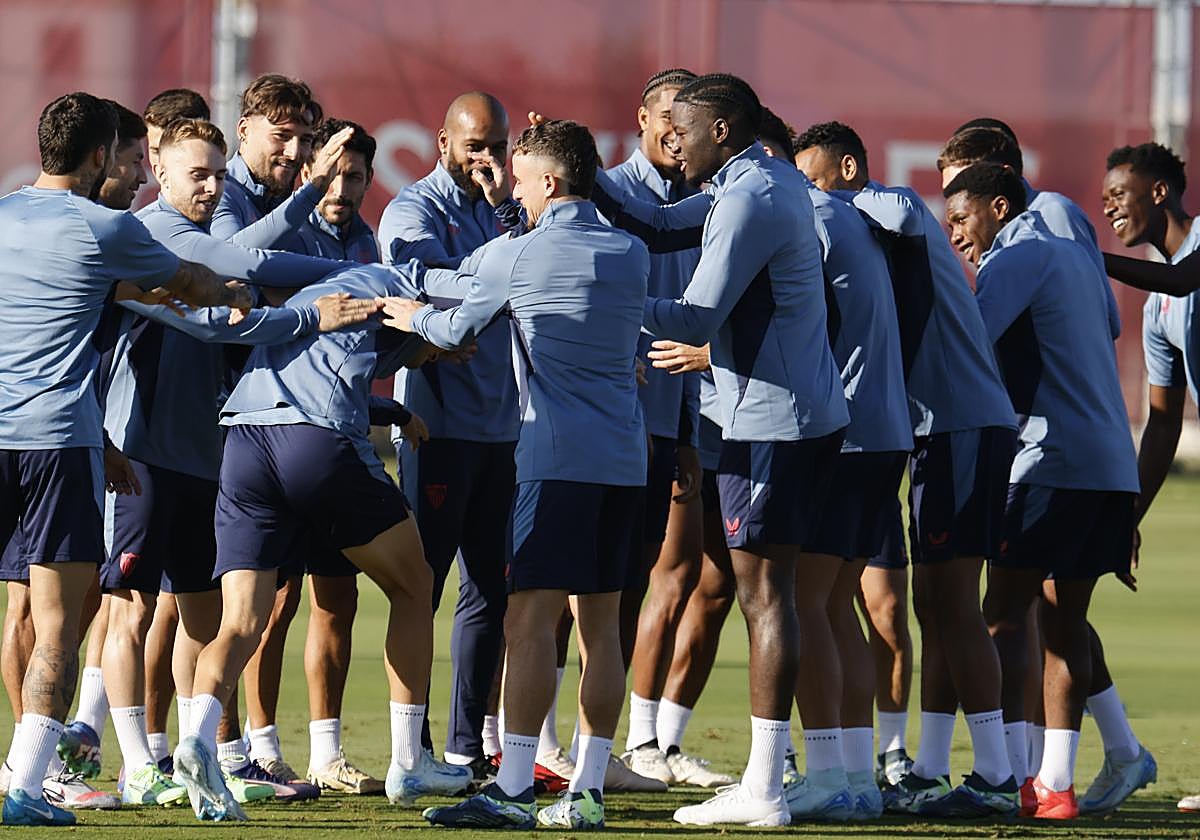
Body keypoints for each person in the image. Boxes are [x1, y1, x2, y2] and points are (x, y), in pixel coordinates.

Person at [591, 73, 849, 827]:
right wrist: (585, 184)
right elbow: (664, 224)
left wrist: (592, 292)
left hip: (774, 422)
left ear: (723, 131)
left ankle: (765, 788)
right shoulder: (758, 179)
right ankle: (819, 774)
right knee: (782, 597)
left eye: (686, 128)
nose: (674, 139)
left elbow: (694, 320)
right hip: (786, 414)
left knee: (766, 598)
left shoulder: (749, 195)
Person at [99, 117, 370, 810]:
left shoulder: (207, 239)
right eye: (200, 174)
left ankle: (209, 756)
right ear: (160, 174)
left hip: (207, 456)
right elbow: (234, 286)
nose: (215, 186)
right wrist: (333, 285)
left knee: (205, 620)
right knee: (128, 612)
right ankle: (137, 764)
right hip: (142, 454)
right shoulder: (154, 232)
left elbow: (240, 287)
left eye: (221, 175)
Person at [389, 118, 649, 831]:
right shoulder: (631, 250)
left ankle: (510, 785)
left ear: (551, 182)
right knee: (600, 625)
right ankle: (588, 789)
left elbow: (453, 326)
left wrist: (403, 308)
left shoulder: (520, 252)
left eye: (523, 179)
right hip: (625, 462)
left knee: (528, 619)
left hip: (554, 460)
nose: (514, 190)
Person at [0, 91, 250, 827]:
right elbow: (191, 282)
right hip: (56, 441)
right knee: (58, 625)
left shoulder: (4, 215)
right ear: (100, 155)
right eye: (126, 152)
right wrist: (232, 291)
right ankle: (24, 786)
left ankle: (29, 777)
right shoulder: (104, 227)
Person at [795, 121, 1021, 817]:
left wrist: (840, 202)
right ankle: (959, 770)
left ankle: (996, 778)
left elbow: (894, 211)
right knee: (935, 606)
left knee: (953, 606)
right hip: (940, 427)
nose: (808, 194)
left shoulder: (887, 206)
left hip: (958, 424)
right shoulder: (864, 220)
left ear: (850, 167)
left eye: (814, 178)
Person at [944, 163, 1140, 820]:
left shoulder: (1015, 254)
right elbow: (1112, 325)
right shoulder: (1072, 245)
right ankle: (1051, 785)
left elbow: (965, 347)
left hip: (1049, 462)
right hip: (1110, 462)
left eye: (962, 217)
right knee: (1065, 621)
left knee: (1001, 614)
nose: (956, 234)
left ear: (999, 207)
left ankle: (1002, 775)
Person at [759, 108, 912, 821]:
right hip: (883, 433)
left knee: (808, 603)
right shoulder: (860, 221)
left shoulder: (813, 216)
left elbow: (800, 319)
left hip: (843, 436)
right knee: (837, 605)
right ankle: (853, 775)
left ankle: (826, 772)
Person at [206, 73, 356, 783]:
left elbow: (264, 279)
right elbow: (239, 263)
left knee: (260, 601)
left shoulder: (275, 200)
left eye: (303, 136)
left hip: (249, 420)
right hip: (181, 420)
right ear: (244, 131)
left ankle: (243, 750)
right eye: (282, 134)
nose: (296, 149)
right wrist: (335, 285)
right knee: (170, 604)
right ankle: (195, 750)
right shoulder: (226, 193)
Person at [377, 91, 521, 779]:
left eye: (498, 145)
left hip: (502, 425)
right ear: (443, 143)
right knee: (422, 587)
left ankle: (465, 745)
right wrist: (500, 265)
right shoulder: (415, 208)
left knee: (491, 589)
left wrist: (504, 240)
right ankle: (415, 745)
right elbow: (419, 288)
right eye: (476, 146)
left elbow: (536, 273)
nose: (489, 160)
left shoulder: (506, 211)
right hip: (437, 426)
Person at [605, 68, 713, 789]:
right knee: (584, 589)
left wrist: (683, 432)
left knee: (650, 583)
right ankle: (525, 742)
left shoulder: (708, 202)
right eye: (667, 117)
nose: (678, 133)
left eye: (690, 120)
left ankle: (632, 743)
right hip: (609, 421)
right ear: (642, 118)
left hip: (676, 421)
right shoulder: (610, 193)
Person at [282, 117, 391, 794]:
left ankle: (326, 754)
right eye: (331, 172)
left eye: (354, 176)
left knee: (336, 599)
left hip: (341, 436)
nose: (341, 187)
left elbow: (360, 355)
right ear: (307, 171)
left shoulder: (366, 240)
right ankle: (252, 749)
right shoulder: (285, 234)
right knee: (270, 602)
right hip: (276, 440)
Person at [1098, 142, 1192, 813]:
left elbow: (1188, 281)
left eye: (1118, 194)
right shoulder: (1158, 310)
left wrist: (1085, 260)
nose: (1107, 206)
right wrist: (1126, 515)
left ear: (1158, 192)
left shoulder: (1184, 275)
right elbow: (1162, 424)